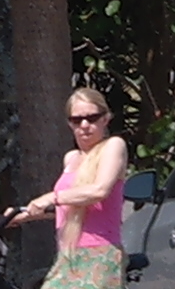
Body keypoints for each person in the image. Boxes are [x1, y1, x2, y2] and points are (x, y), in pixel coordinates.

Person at [44, 85, 132, 280]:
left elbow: (100, 190)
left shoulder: (113, 146)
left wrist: (51, 197)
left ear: (105, 118)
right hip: (67, 255)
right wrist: (20, 215)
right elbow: (66, 208)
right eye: (77, 120)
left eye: (91, 118)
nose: (84, 125)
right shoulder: (71, 158)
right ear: (70, 124)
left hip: (100, 254)